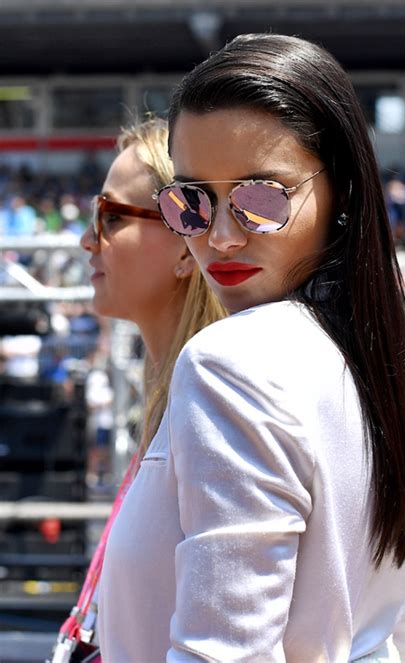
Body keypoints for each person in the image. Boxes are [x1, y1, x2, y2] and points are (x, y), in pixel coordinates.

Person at [99, 36, 405, 662]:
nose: (222, 236)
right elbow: (396, 632)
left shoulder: (231, 361)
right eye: (192, 200)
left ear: (341, 192)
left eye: (261, 199)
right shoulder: (374, 364)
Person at [50, 117, 225, 661]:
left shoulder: (216, 408)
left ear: (184, 247)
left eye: (110, 216)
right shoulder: (178, 397)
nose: (87, 240)